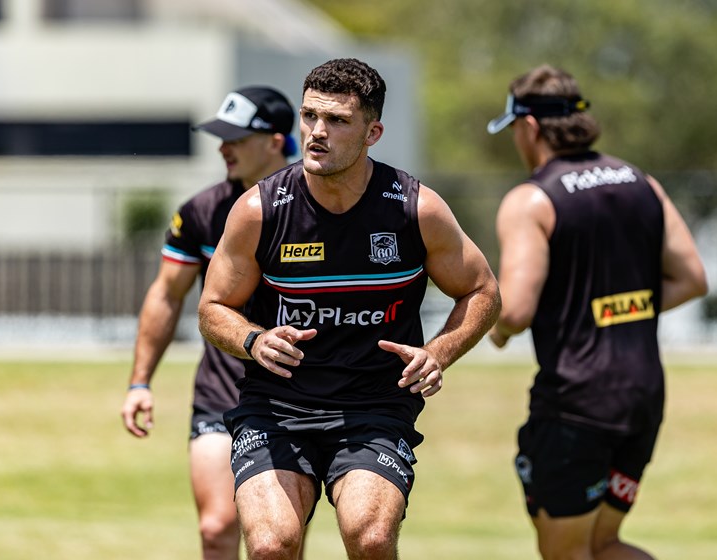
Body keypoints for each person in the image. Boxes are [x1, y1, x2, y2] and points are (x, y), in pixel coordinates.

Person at [197, 57, 500, 560]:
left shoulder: (414, 209)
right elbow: (213, 308)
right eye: (310, 116)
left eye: (337, 121)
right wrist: (253, 339)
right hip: (276, 408)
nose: (317, 132)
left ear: (372, 132)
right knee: (272, 544)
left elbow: (483, 291)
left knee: (371, 537)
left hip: (374, 407)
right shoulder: (259, 210)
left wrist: (439, 352)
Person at [486, 64, 708, 560]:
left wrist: (495, 331)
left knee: (567, 553)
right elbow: (692, 279)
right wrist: (623, 311)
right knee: (603, 545)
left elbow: (516, 310)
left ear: (529, 126)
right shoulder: (640, 181)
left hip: (577, 404)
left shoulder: (531, 200)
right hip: (642, 398)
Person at [120, 86, 297, 560]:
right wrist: (140, 382)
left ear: (276, 140)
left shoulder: (321, 207)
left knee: (278, 540)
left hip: (300, 396)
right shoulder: (202, 211)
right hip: (223, 391)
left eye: (236, 137)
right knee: (218, 525)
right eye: (220, 136)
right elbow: (166, 293)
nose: (223, 147)